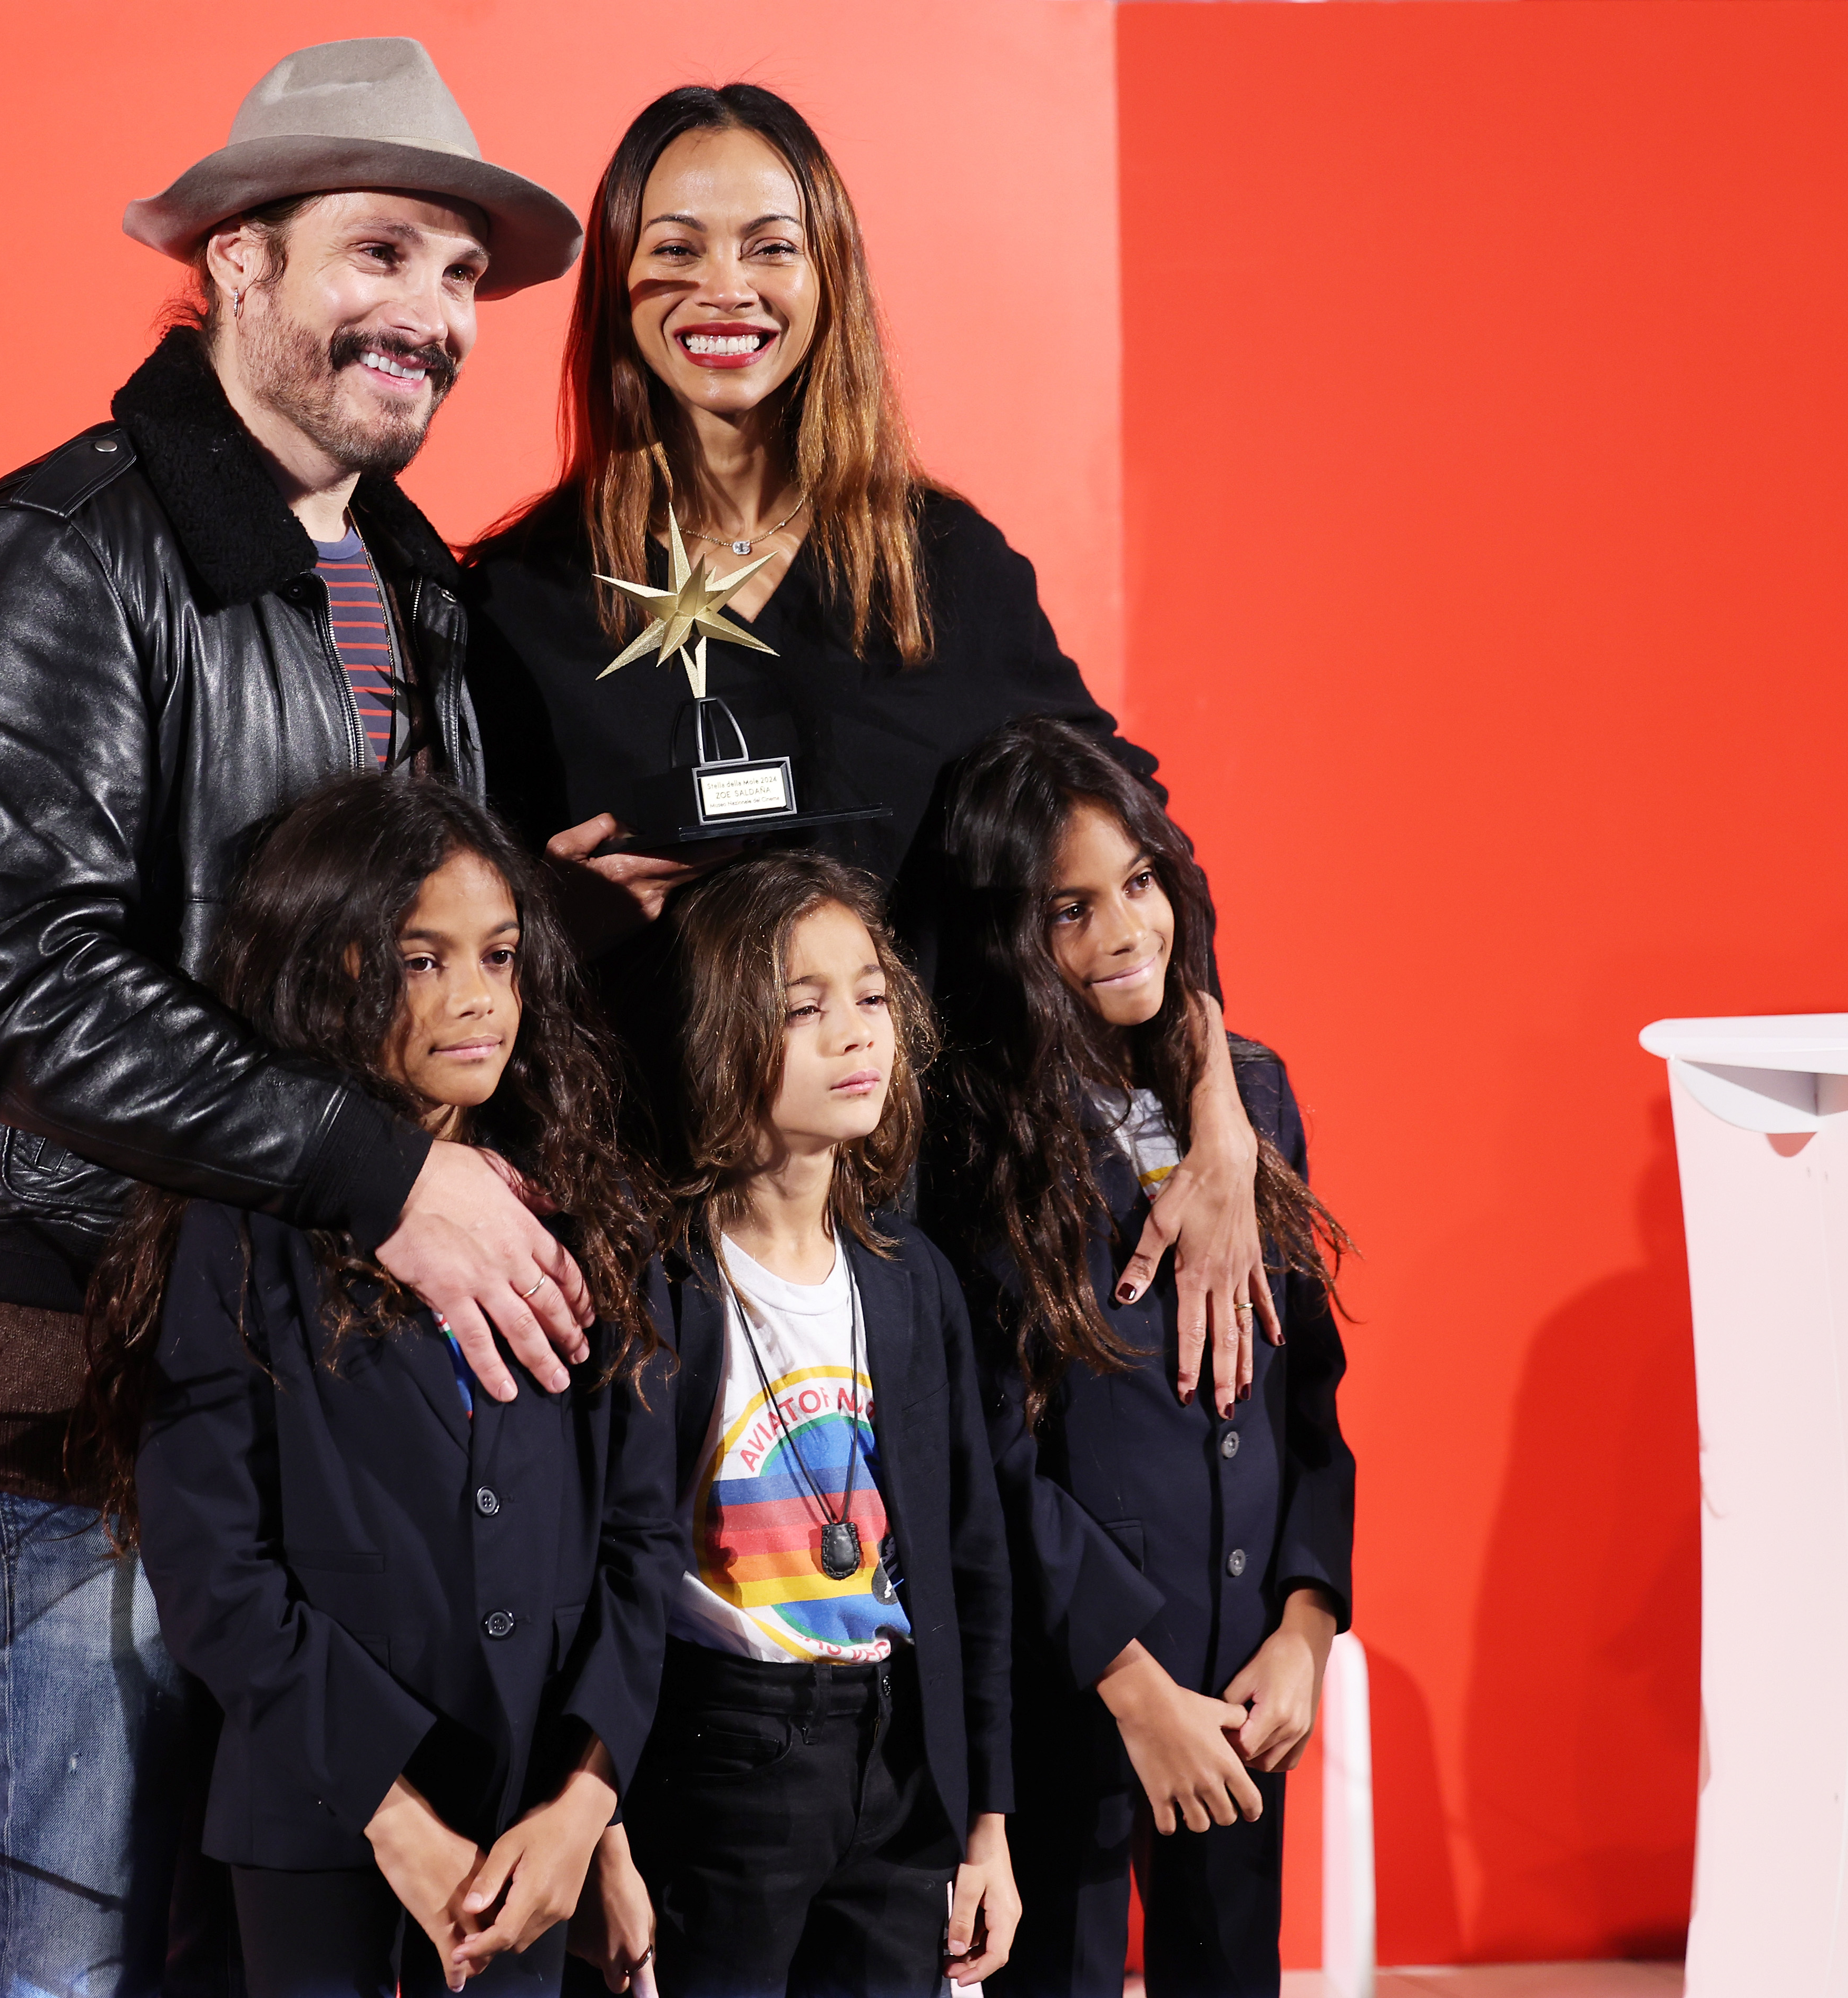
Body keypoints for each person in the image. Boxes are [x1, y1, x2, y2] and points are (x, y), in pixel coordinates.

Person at [0, 37, 595, 1993]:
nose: (433, 319)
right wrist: (380, 1179)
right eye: (382, 255)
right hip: (71, 1384)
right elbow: (15, 983)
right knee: (78, 1927)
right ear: (236, 262)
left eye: (462, 277)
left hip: (331, 1382)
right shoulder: (59, 556)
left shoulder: (418, 581)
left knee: (259, 1938)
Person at [462, 82, 1279, 1417]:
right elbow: (445, 951)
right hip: (637, 1305)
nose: (724, 287)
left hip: (928, 1276)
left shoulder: (946, 570)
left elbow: (1127, 852)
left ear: (829, 274)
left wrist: (1218, 1100)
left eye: (770, 245)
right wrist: (539, 923)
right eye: (674, 247)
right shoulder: (514, 604)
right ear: (614, 282)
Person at [80, 775, 678, 1996]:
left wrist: (586, 1807)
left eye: (500, 957)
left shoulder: (590, 1214)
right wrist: (393, 1816)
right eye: (422, 961)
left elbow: (639, 1539)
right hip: (317, 1823)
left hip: (531, 1831)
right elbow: (214, 1573)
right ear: (331, 967)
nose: (475, 999)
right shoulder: (242, 1233)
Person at [923, 719, 1355, 1998]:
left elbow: (1310, 1394)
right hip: (1080, 1694)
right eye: (1071, 907)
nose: (1123, 930)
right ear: (1010, 928)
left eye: (1139, 883)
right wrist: (1132, 1682)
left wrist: (1307, 1621)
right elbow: (985, 1459)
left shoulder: (1253, 1094)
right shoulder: (970, 1142)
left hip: (1243, 1691)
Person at [595, 850, 1022, 1996]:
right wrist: (608, 1836)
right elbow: (606, 1573)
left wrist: (986, 1823)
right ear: (722, 1035)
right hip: (725, 1753)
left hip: (893, 1750)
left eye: (874, 996)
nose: (856, 1033)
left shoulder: (910, 1277)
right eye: (805, 1006)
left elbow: (969, 1557)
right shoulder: (659, 1277)